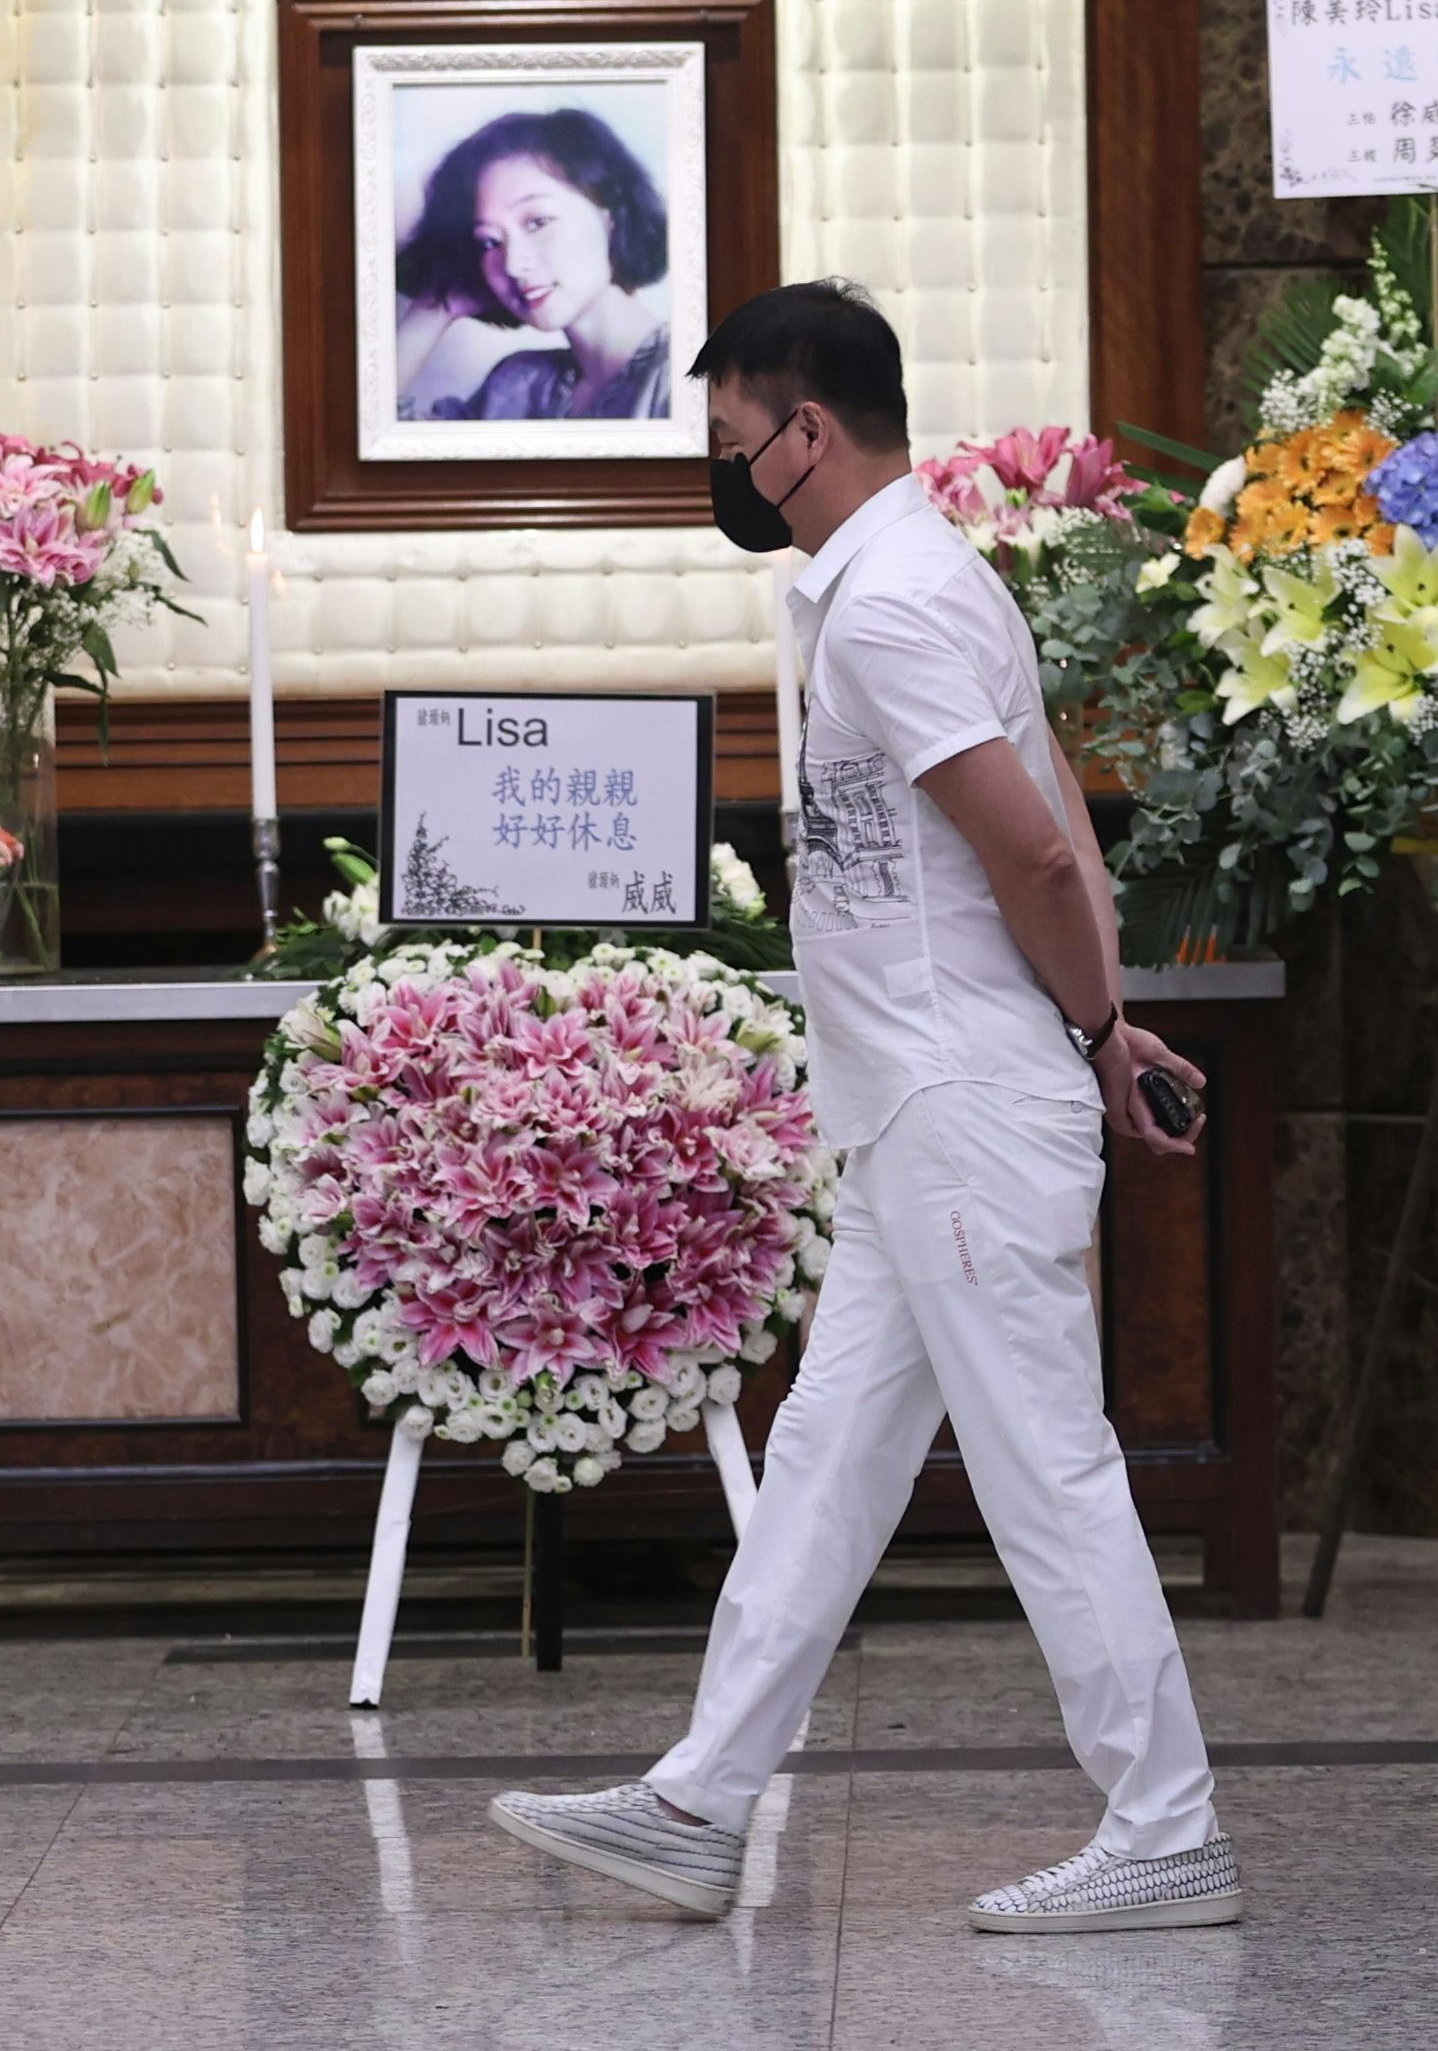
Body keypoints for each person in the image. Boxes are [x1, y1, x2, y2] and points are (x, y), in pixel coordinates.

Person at [489, 279, 1242, 1935]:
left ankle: (1168, 1827)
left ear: (806, 432)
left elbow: (1034, 851)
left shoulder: (893, 604)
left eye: (729, 439)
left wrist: (1095, 1026)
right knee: (826, 1460)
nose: (722, 468)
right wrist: (1103, 1029)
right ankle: (699, 1801)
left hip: (958, 1105)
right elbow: (1057, 821)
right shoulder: (912, 579)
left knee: (1045, 1470)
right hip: (918, 1110)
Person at [393, 108, 672, 422]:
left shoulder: (688, 379)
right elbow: (372, 435)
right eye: (489, 242)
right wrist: (433, 309)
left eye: (538, 222)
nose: (512, 265)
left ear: (610, 214)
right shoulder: (517, 387)